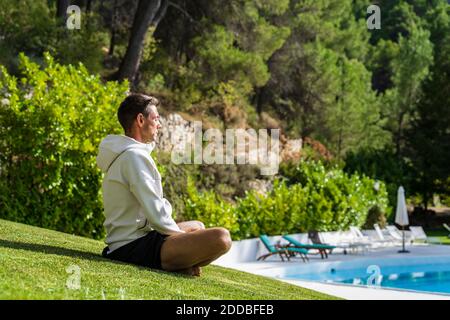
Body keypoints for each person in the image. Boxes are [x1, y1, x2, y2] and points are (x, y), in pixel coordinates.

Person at [96, 93, 232, 276]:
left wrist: (186, 239)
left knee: (197, 226)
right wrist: (184, 239)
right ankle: (179, 265)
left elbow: (153, 209)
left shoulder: (127, 154)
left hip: (139, 239)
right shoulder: (134, 157)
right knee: (221, 238)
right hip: (132, 247)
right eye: (156, 119)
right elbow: (156, 213)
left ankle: (182, 265)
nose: (159, 124)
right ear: (141, 120)